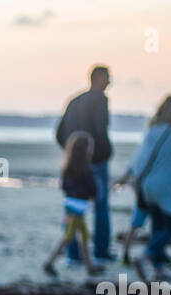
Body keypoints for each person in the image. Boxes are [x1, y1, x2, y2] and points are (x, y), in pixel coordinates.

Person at [116, 95, 171, 281]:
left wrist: (126, 177)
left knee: (157, 227)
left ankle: (159, 270)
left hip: (146, 187)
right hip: (167, 188)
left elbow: (139, 159)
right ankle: (147, 254)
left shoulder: (152, 132)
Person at [55, 65, 113, 262]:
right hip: (95, 162)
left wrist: (71, 153)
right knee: (101, 205)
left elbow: (59, 133)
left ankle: (72, 254)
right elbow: (100, 129)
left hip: (73, 164)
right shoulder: (99, 99)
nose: (109, 82)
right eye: (107, 78)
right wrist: (104, 153)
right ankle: (101, 251)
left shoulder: (74, 101)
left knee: (72, 206)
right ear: (97, 78)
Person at [43, 131, 104, 277]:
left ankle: (90, 266)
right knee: (69, 236)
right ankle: (49, 262)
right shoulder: (86, 170)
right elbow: (92, 189)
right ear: (86, 150)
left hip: (70, 204)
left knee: (83, 235)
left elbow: (64, 186)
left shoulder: (67, 168)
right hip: (78, 206)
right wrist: (94, 195)